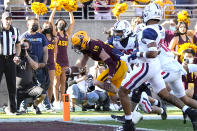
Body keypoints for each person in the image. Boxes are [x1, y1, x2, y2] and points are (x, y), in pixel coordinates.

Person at [117, 3, 197, 131]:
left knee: (122, 91)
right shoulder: (159, 28)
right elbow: (157, 51)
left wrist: (135, 55)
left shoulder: (148, 30)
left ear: (148, 14)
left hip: (147, 65)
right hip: (156, 66)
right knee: (164, 94)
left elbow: (153, 53)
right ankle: (191, 112)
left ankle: (128, 124)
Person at [71, 31, 128, 100]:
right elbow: (83, 61)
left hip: (118, 64)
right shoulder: (86, 48)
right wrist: (72, 71)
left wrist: (109, 78)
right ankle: (129, 99)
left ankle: (125, 95)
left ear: (84, 42)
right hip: (116, 64)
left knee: (98, 82)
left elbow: (111, 63)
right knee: (112, 96)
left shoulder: (94, 46)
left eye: (77, 45)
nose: (77, 48)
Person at [20, 17, 53, 112]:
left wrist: (45, 63)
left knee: (42, 87)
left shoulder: (42, 36)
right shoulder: (23, 37)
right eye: (33, 24)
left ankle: (46, 107)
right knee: (25, 87)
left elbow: (46, 51)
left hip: (39, 66)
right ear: (28, 25)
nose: (35, 25)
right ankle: (23, 107)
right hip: (27, 67)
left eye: (36, 24)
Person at [52, 7, 75, 109]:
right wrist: (55, 9)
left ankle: (62, 101)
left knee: (63, 81)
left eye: (63, 22)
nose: (62, 24)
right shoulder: (54, 34)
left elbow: (72, 23)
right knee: (56, 82)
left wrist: (70, 11)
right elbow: (50, 20)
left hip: (65, 60)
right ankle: (56, 101)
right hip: (56, 60)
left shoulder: (66, 34)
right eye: (60, 22)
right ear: (57, 25)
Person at [16, 39, 46, 114]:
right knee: (13, 109)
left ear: (29, 47)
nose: (24, 48)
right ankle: (9, 107)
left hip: (29, 87)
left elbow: (35, 66)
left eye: (26, 46)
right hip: (17, 89)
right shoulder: (15, 57)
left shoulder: (33, 57)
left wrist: (27, 56)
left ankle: (34, 106)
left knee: (43, 93)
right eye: (22, 46)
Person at [0, 12, 21, 115]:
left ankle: (12, 109)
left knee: (12, 85)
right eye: (6, 19)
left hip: (11, 59)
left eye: (10, 19)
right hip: (0, 58)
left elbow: (18, 45)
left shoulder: (15, 31)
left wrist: (17, 55)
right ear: (2, 20)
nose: (8, 21)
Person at [41, 6, 58, 104]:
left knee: (51, 84)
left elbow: (56, 52)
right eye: (46, 26)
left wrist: (55, 62)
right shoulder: (41, 36)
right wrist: (37, 14)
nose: (48, 27)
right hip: (42, 62)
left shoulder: (54, 38)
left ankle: (50, 103)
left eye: (49, 26)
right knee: (42, 84)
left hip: (51, 63)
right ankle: (40, 103)